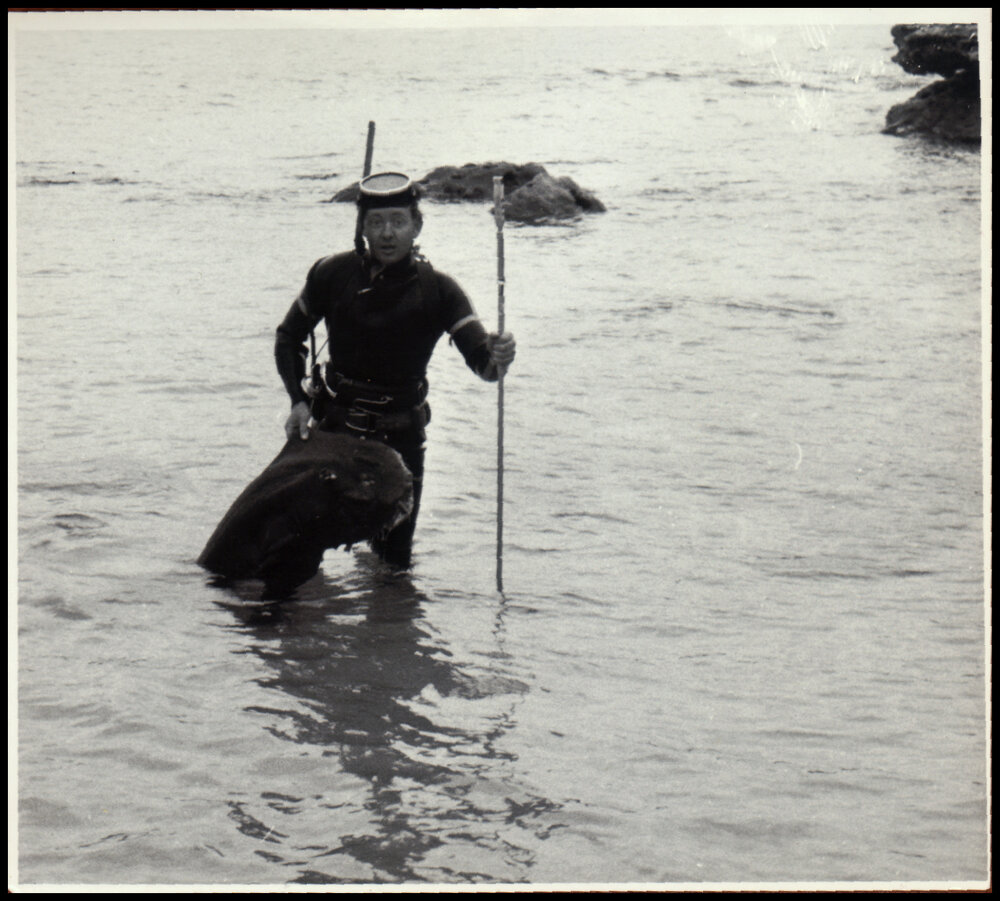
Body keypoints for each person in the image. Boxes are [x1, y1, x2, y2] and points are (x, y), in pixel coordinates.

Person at [274, 171, 516, 569]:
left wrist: (499, 355)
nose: (388, 234)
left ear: (416, 225)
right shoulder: (331, 275)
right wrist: (298, 402)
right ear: (362, 227)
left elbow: (485, 367)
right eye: (376, 222)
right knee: (299, 551)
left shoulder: (439, 290)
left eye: (398, 222)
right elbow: (288, 337)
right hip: (333, 432)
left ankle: (389, 630)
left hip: (400, 442)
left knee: (392, 567)